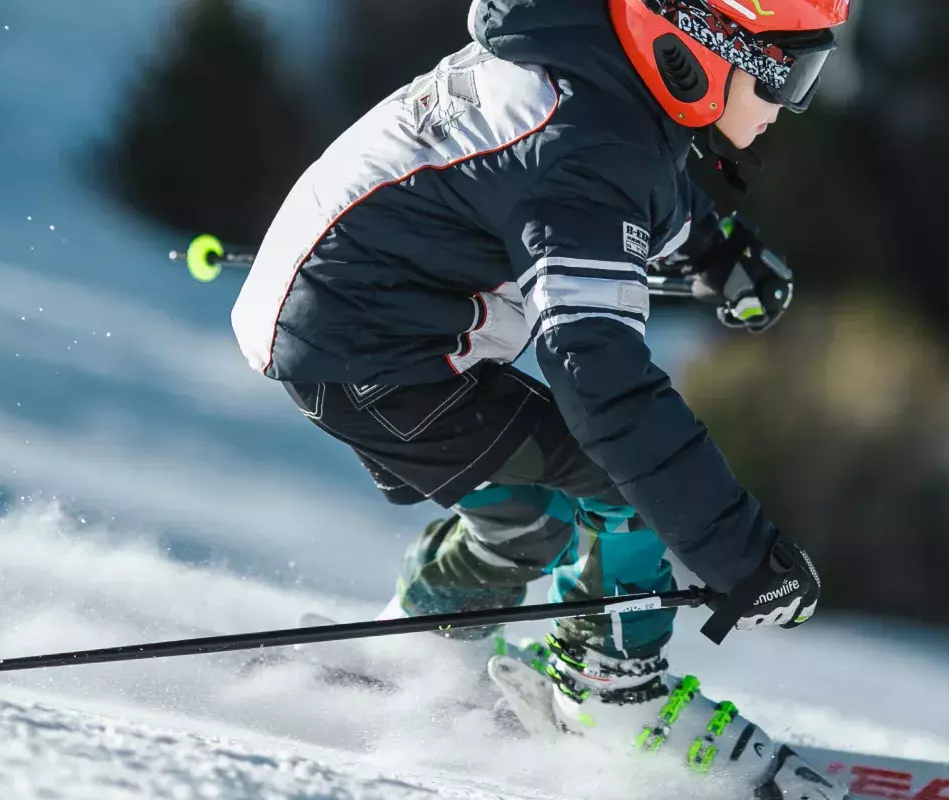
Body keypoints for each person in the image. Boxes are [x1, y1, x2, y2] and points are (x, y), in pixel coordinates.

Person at [231, 0, 846, 739]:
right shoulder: (585, 149)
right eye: (790, 75)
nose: (792, 106)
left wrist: (715, 250)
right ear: (706, 49)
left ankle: (420, 649)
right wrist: (743, 557)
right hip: (370, 351)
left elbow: (629, 176)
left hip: (345, 323)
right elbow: (602, 385)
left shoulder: (587, 68)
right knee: (620, 481)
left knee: (530, 514)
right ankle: (613, 700)